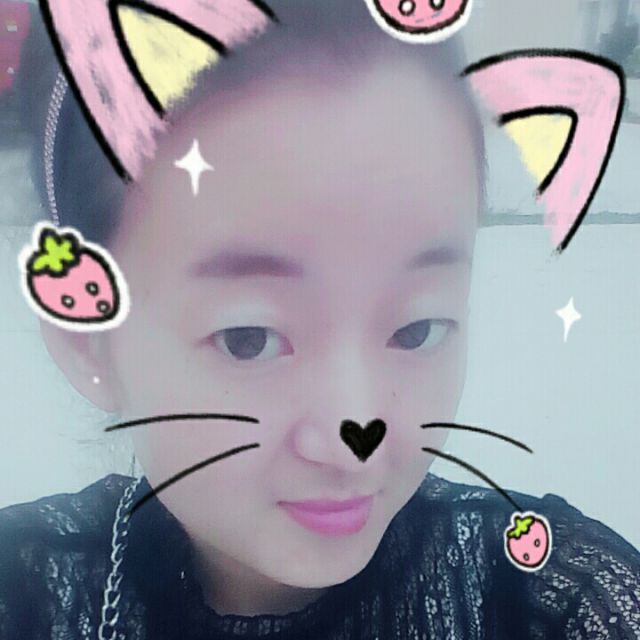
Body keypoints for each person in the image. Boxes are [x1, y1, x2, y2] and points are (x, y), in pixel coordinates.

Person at [2, 2, 639, 639]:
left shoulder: (548, 600)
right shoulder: (28, 594)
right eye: (249, 340)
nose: (356, 436)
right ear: (87, 338)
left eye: (416, 329)